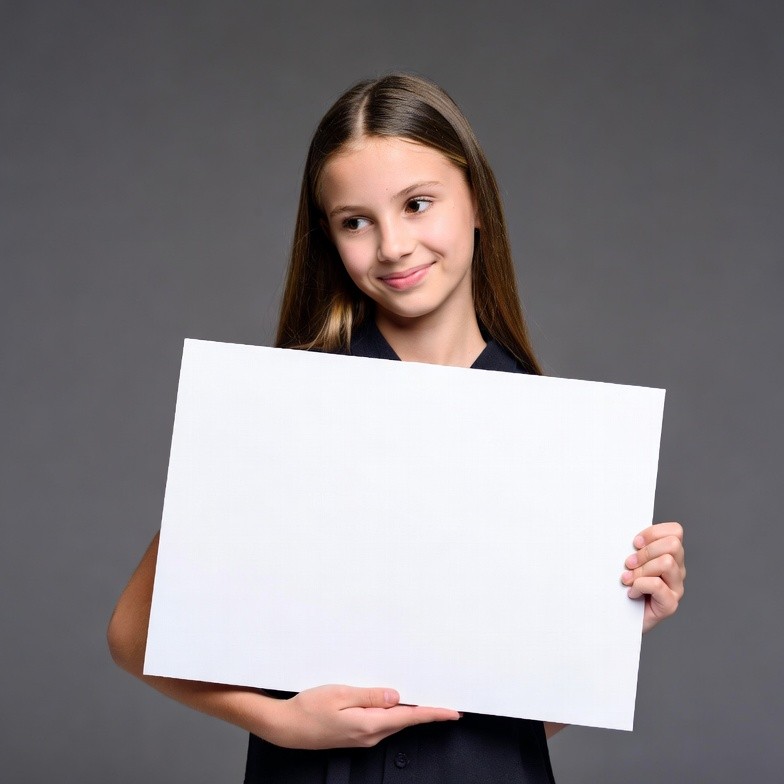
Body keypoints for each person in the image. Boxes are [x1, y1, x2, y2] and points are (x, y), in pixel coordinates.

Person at [108, 73, 686, 783]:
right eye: (356, 221)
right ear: (328, 237)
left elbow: (517, 719)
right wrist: (280, 721)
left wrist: (613, 627)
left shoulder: (555, 437)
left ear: (476, 201)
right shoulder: (282, 408)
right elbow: (131, 632)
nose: (393, 245)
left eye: (417, 204)